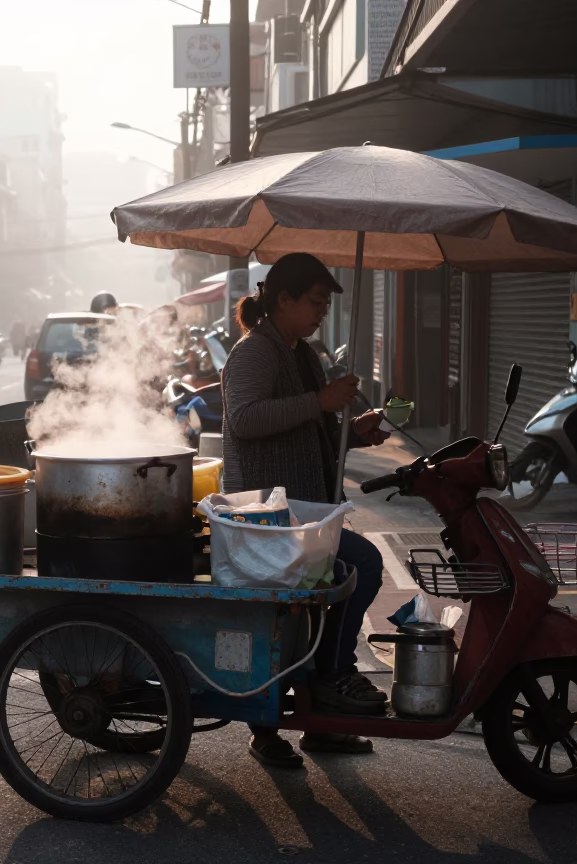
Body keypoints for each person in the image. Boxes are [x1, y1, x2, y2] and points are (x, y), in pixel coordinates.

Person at [221, 252, 390, 769]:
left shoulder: (303, 353)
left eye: (325, 303)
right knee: (357, 568)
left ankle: (321, 718)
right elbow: (245, 419)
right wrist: (318, 402)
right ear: (284, 299)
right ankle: (324, 686)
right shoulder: (255, 352)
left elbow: (307, 428)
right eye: (315, 302)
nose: (321, 312)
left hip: (305, 510)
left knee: (318, 603)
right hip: (269, 517)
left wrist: (353, 431)